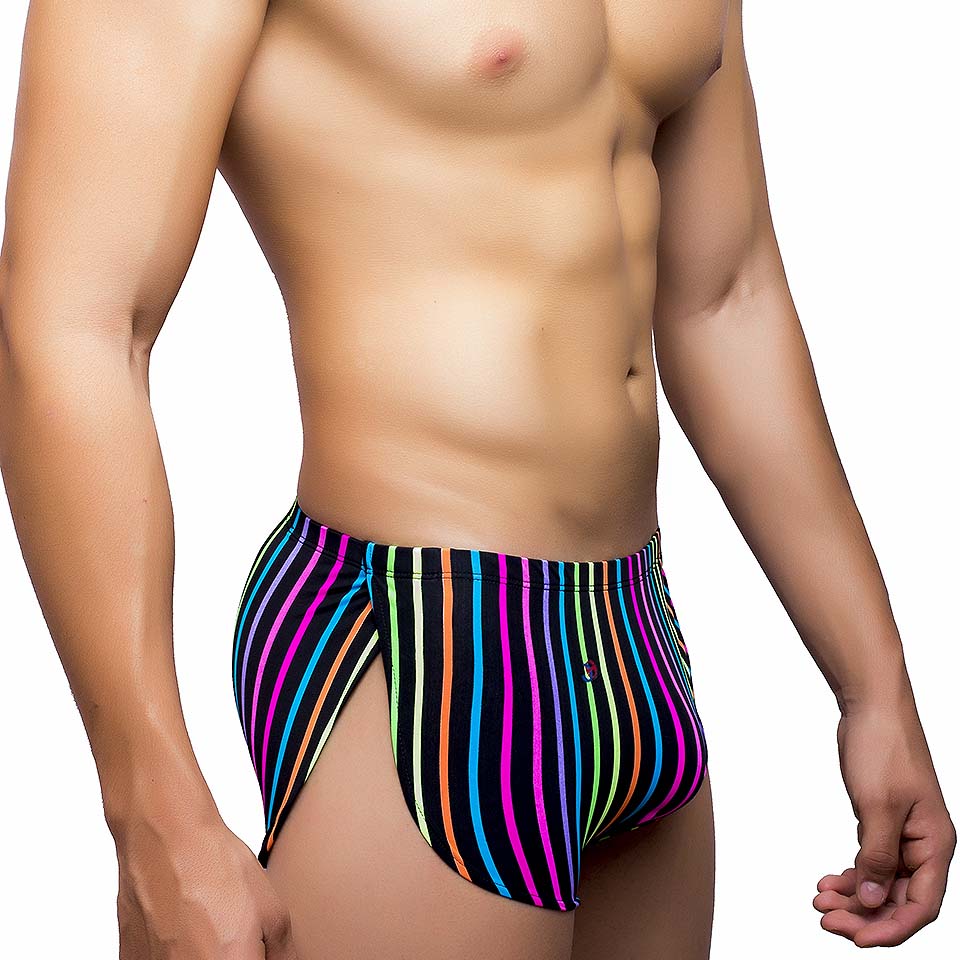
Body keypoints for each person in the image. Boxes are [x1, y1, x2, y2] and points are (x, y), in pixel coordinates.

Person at [0, 0, 954, 957]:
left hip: (635, 629)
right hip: (417, 643)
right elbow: (73, 325)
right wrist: (152, 813)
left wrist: (876, 686)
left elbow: (725, 295)